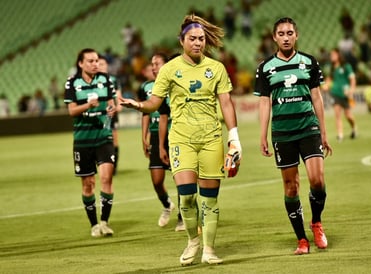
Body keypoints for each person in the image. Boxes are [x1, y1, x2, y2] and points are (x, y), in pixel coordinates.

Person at [120, 14, 241, 265]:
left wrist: (234, 138)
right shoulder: (169, 69)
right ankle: (192, 240)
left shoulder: (216, 68)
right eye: (193, 39)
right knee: (186, 197)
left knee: (209, 199)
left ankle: (208, 248)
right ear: (182, 40)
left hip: (210, 139)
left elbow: (227, 104)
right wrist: (138, 105)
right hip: (181, 140)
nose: (198, 43)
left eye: (201, 39)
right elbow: (154, 102)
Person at [254, 17, 332, 255]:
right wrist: (263, 135)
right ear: (274, 37)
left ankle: (316, 222)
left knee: (317, 180)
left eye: (290, 33)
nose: (286, 37)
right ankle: (301, 240)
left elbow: (317, 98)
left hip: (308, 128)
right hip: (283, 133)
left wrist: (324, 132)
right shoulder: (265, 68)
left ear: (296, 35)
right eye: (281, 33)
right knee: (291, 188)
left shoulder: (309, 62)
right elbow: (265, 103)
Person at [64, 48, 117, 237]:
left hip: (103, 136)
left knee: (106, 178)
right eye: (90, 61)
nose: (95, 64)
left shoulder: (105, 79)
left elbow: (112, 103)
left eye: (96, 60)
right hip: (82, 140)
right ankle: (94, 224)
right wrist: (88, 105)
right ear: (81, 64)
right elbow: (71, 111)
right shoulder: (72, 83)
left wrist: (112, 109)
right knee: (88, 184)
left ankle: (104, 222)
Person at [137, 53, 184, 231]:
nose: (153, 67)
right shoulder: (147, 87)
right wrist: (144, 136)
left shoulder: (175, 84)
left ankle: (182, 216)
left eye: (157, 64)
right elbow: (146, 113)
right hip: (157, 136)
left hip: (176, 134)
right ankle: (166, 205)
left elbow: (165, 115)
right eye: (152, 64)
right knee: (157, 180)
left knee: (180, 177)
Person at [324, 48, 357, 141]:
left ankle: (354, 128)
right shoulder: (332, 68)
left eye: (333, 55)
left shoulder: (346, 66)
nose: (332, 57)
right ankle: (340, 135)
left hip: (345, 94)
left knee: (348, 116)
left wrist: (352, 90)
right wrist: (326, 85)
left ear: (338, 55)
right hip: (335, 93)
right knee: (337, 114)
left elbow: (352, 79)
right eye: (331, 55)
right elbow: (329, 80)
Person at [98, 55, 122, 175]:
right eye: (98, 64)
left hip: (111, 114)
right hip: (99, 114)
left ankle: (114, 168)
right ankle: (101, 164)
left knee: (113, 140)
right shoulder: (94, 80)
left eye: (102, 64)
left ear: (107, 65)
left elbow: (118, 97)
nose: (99, 66)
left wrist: (118, 107)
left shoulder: (113, 79)